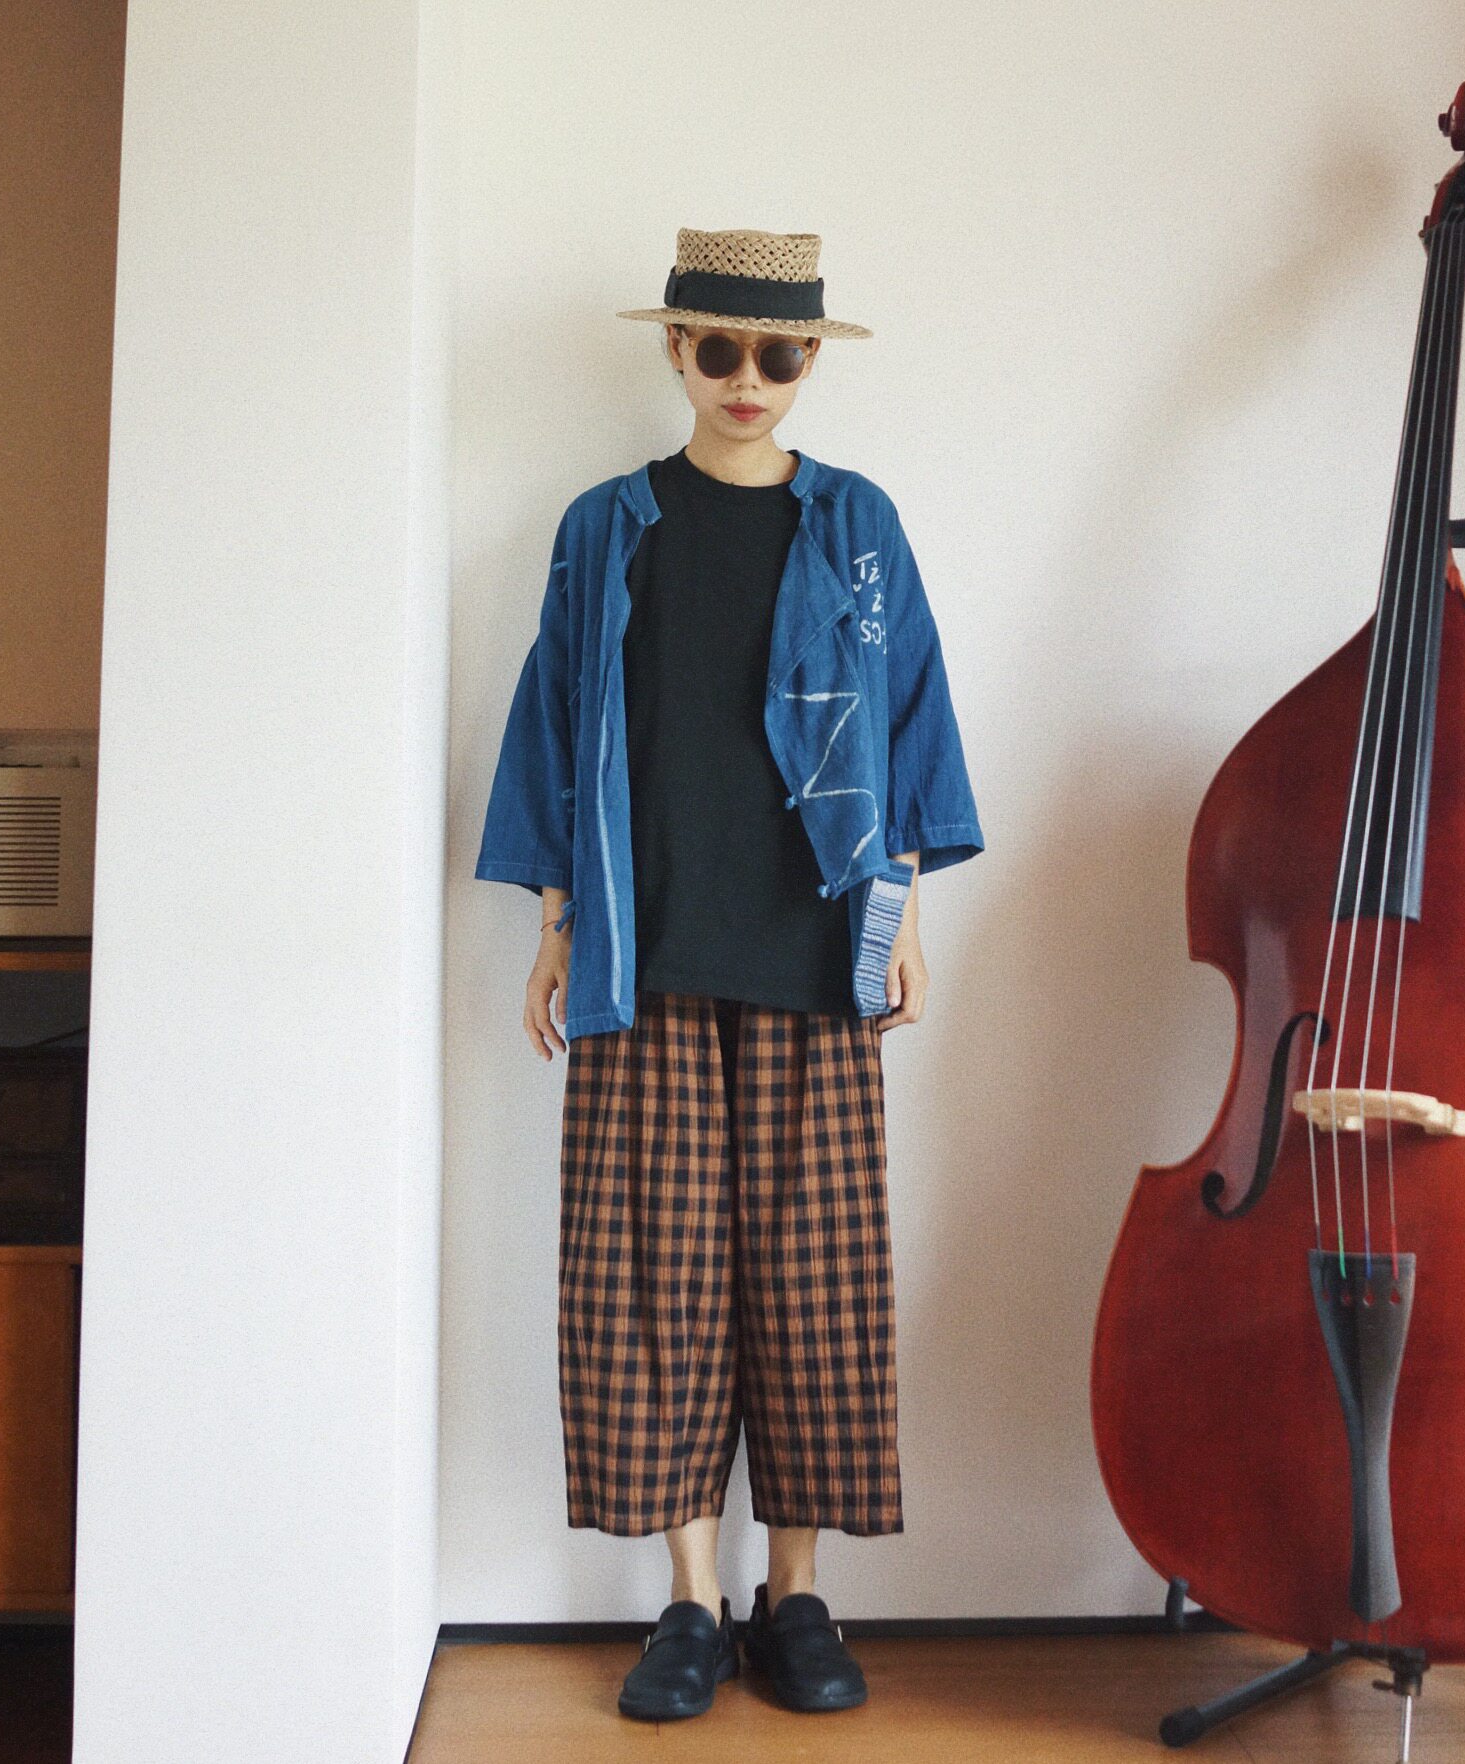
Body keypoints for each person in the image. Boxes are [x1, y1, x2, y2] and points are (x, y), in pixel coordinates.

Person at [474, 225, 984, 1721]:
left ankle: (796, 1594)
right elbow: (556, 723)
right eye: (718, 348)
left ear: (811, 358)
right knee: (655, 1282)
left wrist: (904, 914)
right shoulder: (606, 527)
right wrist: (556, 924)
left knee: (815, 1289)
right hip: (649, 957)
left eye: (779, 353)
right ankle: (691, 1603)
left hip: (817, 951)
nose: (747, 379)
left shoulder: (858, 523)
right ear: (675, 351)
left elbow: (910, 715)